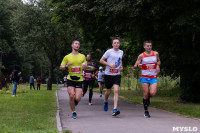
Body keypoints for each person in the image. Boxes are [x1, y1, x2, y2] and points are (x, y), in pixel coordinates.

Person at [60, 40, 87, 119]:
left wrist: (85, 67)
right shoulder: (67, 57)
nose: (77, 45)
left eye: (79, 44)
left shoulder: (82, 56)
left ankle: (74, 102)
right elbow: (61, 67)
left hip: (79, 79)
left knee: (77, 98)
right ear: (72, 45)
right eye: (76, 43)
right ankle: (74, 112)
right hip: (70, 78)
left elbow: (85, 65)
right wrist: (66, 66)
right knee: (71, 96)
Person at [134, 40, 161, 118]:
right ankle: (146, 111)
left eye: (150, 46)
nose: (149, 47)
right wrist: (138, 66)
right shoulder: (141, 56)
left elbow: (159, 61)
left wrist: (158, 66)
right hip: (145, 77)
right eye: (147, 46)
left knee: (152, 93)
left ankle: (146, 99)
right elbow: (135, 65)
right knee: (146, 93)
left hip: (153, 77)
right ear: (144, 47)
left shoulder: (155, 54)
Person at [99, 37, 123, 116]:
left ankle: (115, 109)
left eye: (117, 43)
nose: (116, 44)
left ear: (119, 44)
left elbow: (120, 60)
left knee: (116, 90)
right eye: (115, 43)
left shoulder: (121, 52)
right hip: (108, 74)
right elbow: (101, 60)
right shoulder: (109, 51)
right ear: (112, 44)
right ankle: (105, 101)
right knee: (108, 91)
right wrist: (109, 65)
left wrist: (121, 66)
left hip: (117, 74)